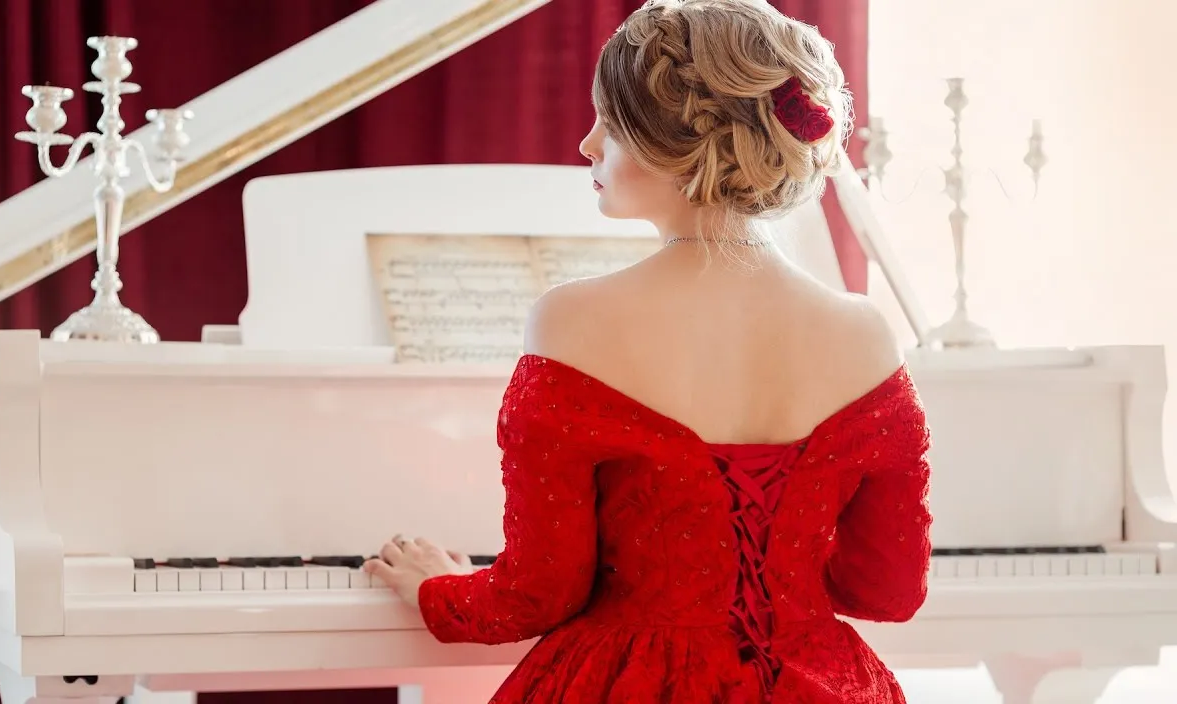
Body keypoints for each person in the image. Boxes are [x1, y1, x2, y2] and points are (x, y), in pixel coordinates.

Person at [362, 0, 933, 701]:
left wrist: (436, 590)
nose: (585, 145)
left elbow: (537, 595)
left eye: (609, 120)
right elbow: (888, 592)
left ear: (677, 143)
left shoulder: (574, 320)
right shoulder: (865, 332)